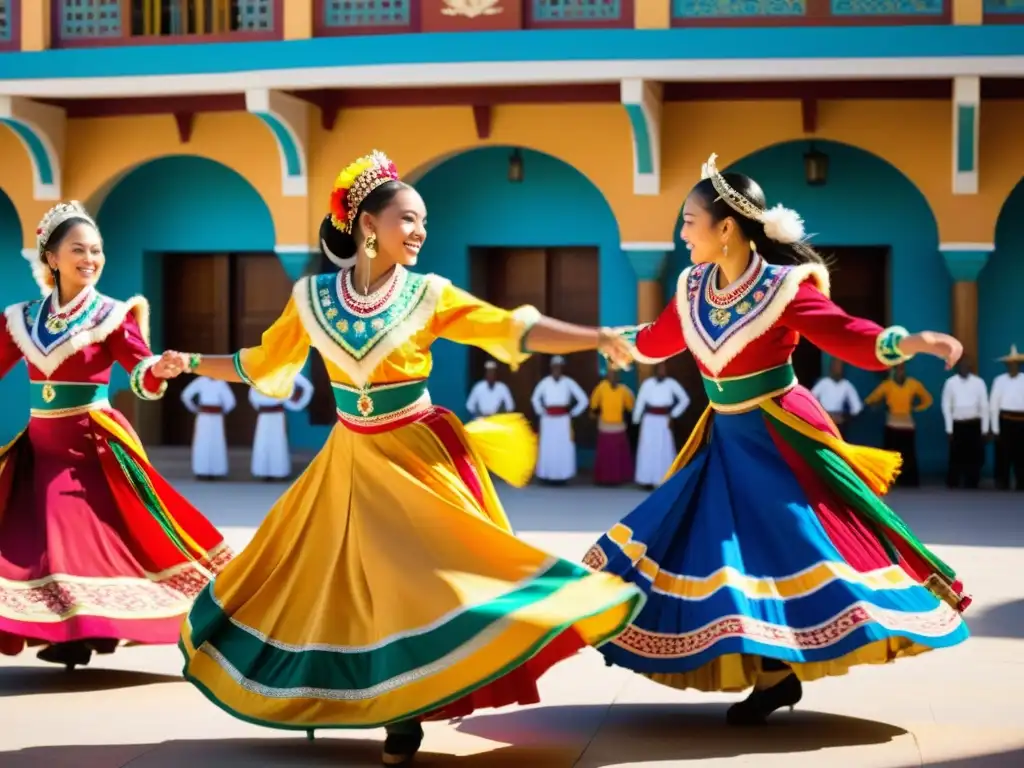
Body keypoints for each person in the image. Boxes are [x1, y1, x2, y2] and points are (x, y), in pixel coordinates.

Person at [167, 151, 644, 766]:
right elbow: (261, 364)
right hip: (348, 463)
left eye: (424, 222)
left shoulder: (428, 294)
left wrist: (594, 337)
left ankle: (412, 705)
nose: (420, 232)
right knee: (344, 588)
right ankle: (392, 708)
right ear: (368, 224)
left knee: (424, 582)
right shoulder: (310, 298)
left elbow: (510, 329)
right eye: (408, 220)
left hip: (418, 456)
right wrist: (186, 364)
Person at [584, 154, 970, 727]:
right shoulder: (692, 287)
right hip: (723, 439)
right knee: (713, 549)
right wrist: (600, 339)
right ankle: (774, 677)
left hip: (779, 435)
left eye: (690, 220)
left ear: (726, 228)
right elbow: (660, 339)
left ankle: (781, 670)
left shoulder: (782, 287)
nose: (682, 232)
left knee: (789, 546)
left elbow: (845, 334)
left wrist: (906, 343)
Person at [0, 201, 230, 669]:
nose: (90, 258)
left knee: (72, 541)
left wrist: (158, 370)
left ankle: (85, 630)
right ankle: (70, 632)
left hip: (90, 445)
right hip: (39, 445)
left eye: (97, 250)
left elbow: (140, 370)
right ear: (52, 258)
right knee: (27, 543)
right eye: (78, 249)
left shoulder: (110, 314)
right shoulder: (20, 318)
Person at [864, 362, 933, 487]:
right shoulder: (887, 385)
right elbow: (870, 399)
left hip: (907, 424)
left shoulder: (913, 384)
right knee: (891, 454)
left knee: (908, 455)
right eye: (898, 369)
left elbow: (928, 399)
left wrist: (916, 408)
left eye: (902, 369)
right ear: (893, 371)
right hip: (892, 423)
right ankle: (890, 480)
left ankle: (909, 481)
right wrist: (877, 405)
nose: (900, 372)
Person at [530, 355, 588, 484]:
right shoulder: (545, 382)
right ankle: (546, 475)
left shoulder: (568, 382)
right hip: (548, 419)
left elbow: (583, 399)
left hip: (563, 419)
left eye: (559, 367)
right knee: (548, 447)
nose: (557, 369)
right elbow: (534, 398)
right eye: (554, 366)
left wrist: (573, 413)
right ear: (551, 368)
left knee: (563, 447)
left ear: (562, 368)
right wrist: (541, 411)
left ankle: (563, 476)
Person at [633, 362, 689, 488]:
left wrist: (673, 414)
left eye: (663, 369)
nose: (661, 372)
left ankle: (664, 479)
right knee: (648, 448)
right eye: (659, 369)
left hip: (664, 419)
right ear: (655, 370)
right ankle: (646, 480)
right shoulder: (647, 384)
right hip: (649, 420)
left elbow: (685, 399)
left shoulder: (671, 384)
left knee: (663, 447)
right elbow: (640, 402)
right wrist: (636, 419)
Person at [249, 371, 314, 481]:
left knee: (278, 442)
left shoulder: (284, 371)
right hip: (264, 415)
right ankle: (262, 471)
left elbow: (306, 386)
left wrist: (295, 401)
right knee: (262, 442)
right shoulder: (259, 375)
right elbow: (252, 396)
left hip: (277, 415)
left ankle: (279, 472)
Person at [941, 358, 989, 489]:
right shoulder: (950, 383)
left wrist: (985, 429)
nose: (964, 368)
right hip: (957, 425)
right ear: (957, 367)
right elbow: (946, 406)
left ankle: (973, 482)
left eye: (966, 365)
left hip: (974, 424)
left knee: (975, 456)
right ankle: (953, 483)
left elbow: (984, 406)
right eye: (961, 366)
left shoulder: (979, 383)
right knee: (955, 455)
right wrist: (949, 429)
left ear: (970, 366)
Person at [181, 375, 237, 480]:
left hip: (216, 417)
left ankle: (217, 471)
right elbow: (186, 395)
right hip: (204, 416)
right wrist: (194, 408)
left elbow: (231, 401)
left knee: (216, 442)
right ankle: (201, 470)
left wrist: (222, 411)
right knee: (202, 442)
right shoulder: (201, 381)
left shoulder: (221, 382)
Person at [589, 368, 636, 486]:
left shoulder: (624, 390)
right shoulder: (601, 388)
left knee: (618, 455)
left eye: (615, 375)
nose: (613, 377)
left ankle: (619, 478)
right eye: (611, 375)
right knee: (605, 455)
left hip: (619, 426)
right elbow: (594, 405)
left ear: (619, 377)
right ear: (607, 376)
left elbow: (630, 406)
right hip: (605, 426)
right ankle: (603, 478)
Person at [990, 344, 1024, 491]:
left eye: (1015, 364)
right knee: (1003, 453)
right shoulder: (999, 380)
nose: (1012, 367)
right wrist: (995, 428)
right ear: (1006, 365)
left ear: (1019, 365)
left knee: (1021, 454)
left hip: (1022, 421)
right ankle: (1002, 481)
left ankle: (1021, 482)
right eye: (1009, 364)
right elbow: (993, 404)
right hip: (1005, 420)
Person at [810, 358, 862, 439]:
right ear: (831, 368)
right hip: (823, 421)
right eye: (836, 366)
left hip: (839, 424)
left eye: (840, 367)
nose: (838, 369)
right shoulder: (824, 383)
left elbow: (857, 408)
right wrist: (823, 414)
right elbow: (810, 399)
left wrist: (843, 417)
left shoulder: (846, 385)